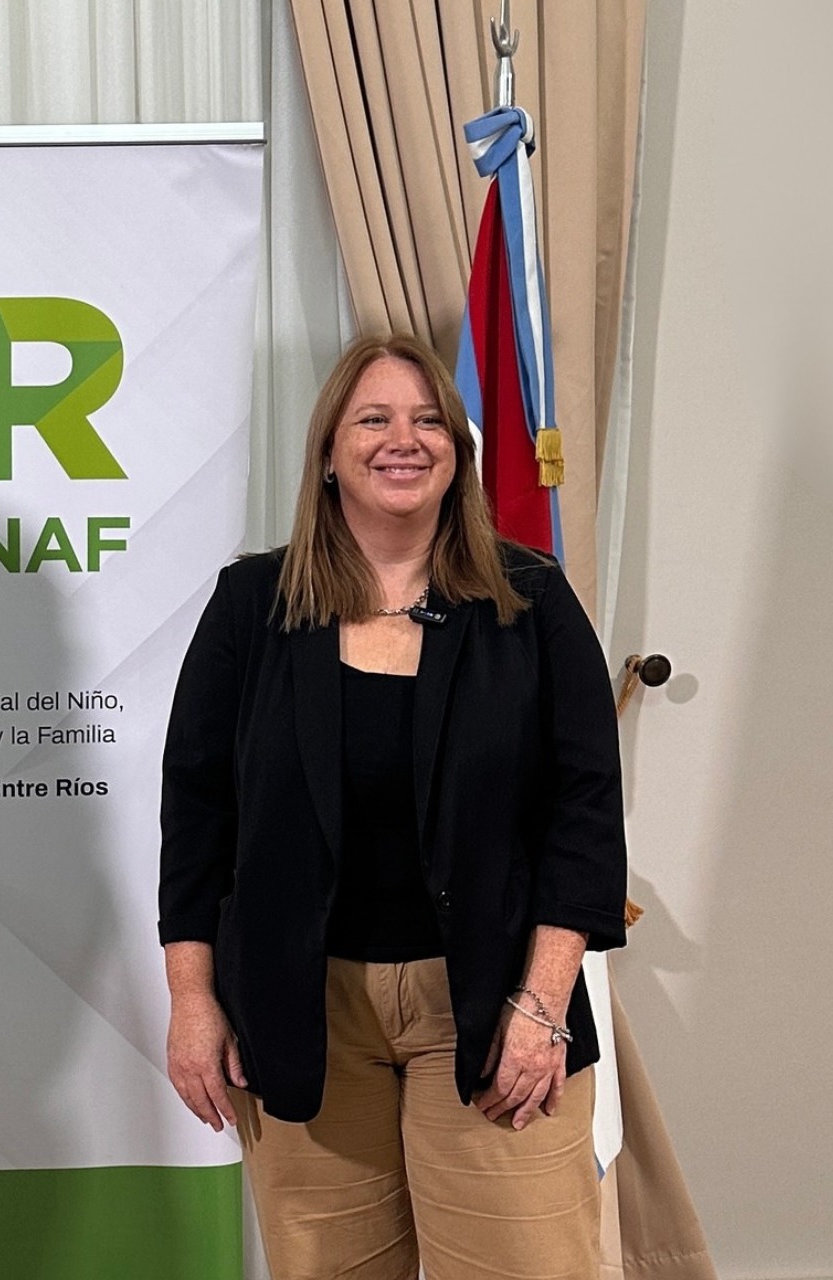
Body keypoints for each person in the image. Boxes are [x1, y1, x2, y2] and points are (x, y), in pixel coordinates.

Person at [159, 333, 626, 1279]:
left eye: (426, 421)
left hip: (496, 1003)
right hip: (301, 1013)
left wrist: (542, 1007)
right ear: (330, 453)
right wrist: (191, 999)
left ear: (456, 451)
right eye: (372, 419)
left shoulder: (529, 599)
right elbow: (196, 815)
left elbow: (584, 812)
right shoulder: (252, 604)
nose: (401, 440)